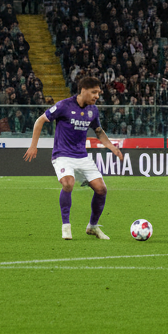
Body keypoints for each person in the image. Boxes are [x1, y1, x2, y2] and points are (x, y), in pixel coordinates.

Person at [24, 76, 123, 240]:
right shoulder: (64, 105)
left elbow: (98, 131)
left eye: (98, 93)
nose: (97, 96)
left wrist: (112, 147)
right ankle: (66, 226)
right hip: (62, 155)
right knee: (68, 183)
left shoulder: (93, 110)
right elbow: (40, 120)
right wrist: (34, 145)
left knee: (101, 189)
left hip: (82, 156)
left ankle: (92, 226)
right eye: (94, 92)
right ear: (83, 90)